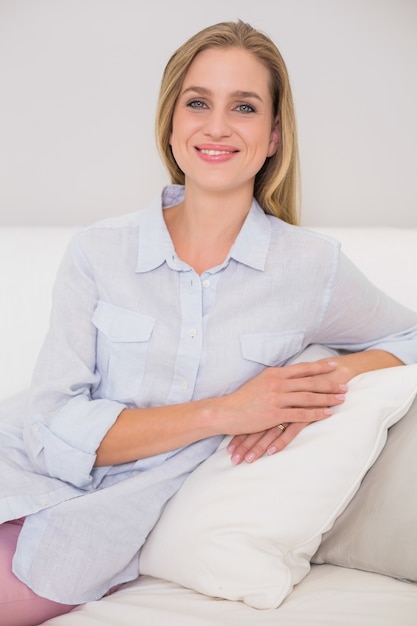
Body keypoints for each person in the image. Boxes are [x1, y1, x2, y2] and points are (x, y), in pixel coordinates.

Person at [1, 19, 417, 626]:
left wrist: (319, 379)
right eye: (198, 102)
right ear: (171, 124)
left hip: (88, 530)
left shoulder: (311, 268)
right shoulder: (98, 252)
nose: (217, 127)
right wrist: (226, 412)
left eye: (243, 107)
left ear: (274, 135)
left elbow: (408, 337)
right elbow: (50, 422)